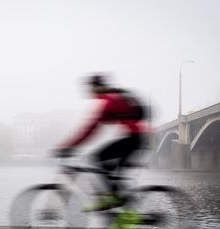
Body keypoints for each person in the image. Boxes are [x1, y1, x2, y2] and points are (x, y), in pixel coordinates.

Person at [54, 74, 151, 211]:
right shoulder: (114, 98)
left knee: (96, 159)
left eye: (90, 87)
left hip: (134, 138)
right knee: (109, 172)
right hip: (137, 137)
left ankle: (112, 201)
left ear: (96, 87)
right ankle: (120, 207)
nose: (89, 91)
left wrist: (70, 147)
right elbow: (97, 126)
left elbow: (90, 128)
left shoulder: (109, 100)